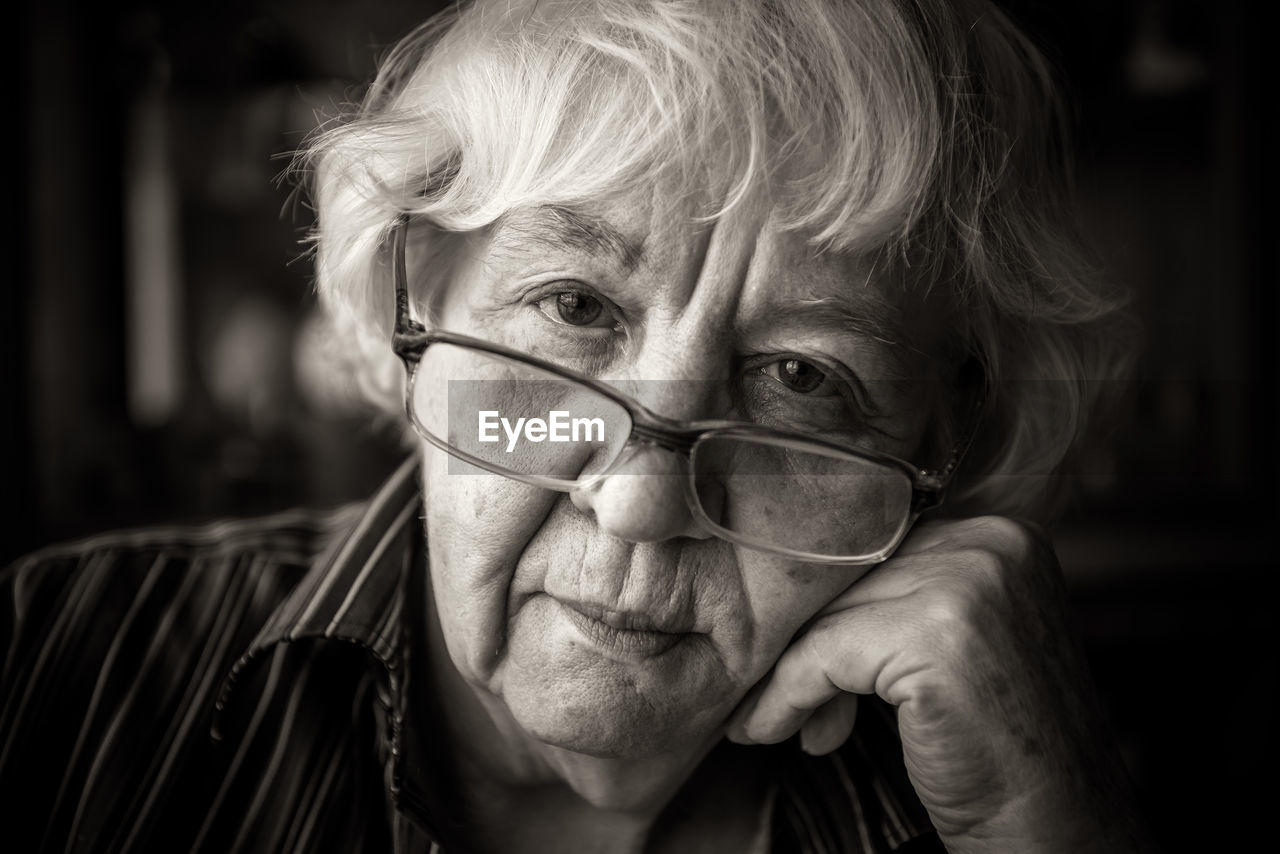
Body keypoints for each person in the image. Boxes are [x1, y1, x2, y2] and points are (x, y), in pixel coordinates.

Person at [1, 0, 1156, 851]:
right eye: (573, 307)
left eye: (801, 377)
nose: (643, 505)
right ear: (415, 310)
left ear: (933, 450)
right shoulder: (50, 664)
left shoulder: (1033, 780)